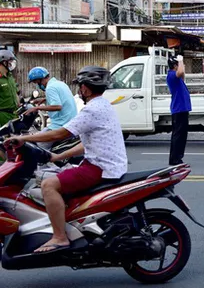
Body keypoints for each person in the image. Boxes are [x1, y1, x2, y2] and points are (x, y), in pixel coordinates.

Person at [4, 66, 127, 253]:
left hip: (100, 167)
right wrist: (58, 156)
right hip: (104, 163)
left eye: (80, 86)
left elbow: (59, 133)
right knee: (54, 173)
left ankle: (60, 237)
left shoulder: (92, 110)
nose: (79, 90)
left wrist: (24, 138)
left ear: (85, 88)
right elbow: (88, 144)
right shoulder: (102, 105)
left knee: (48, 185)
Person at [25, 67, 77, 150]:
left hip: (60, 125)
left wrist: (36, 108)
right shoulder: (60, 83)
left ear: (40, 79)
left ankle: (43, 162)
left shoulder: (50, 88)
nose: (37, 85)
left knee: (37, 147)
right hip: (71, 122)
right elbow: (62, 99)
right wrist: (45, 99)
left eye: (36, 82)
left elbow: (58, 106)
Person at [167, 54, 191, 166]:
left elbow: (182, 75)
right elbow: (180, 73)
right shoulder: (171, 75)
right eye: (178, 64)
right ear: (174, 65)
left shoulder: (176, 77)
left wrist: (181, 63)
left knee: (182, 136)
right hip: (178, 109)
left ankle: (178, 158)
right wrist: (180, 60)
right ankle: (175, 159)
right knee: (178, 135)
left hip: (182, 109)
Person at [0, 50, 19, 127]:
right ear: (4, 63)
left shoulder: (10, 76)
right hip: (2, 116)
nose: (12, 64)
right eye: (10, 62)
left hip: (14, 114)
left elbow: (15, 92)